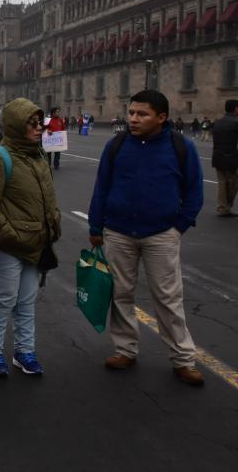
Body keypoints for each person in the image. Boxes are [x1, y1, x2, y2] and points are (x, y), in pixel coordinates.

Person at [88, 90, 204, 386]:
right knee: (120, 294)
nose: (133, 119)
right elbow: (101, 187)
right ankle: (125, 349)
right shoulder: (116, 145)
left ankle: (183, 359)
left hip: (161, 234)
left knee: (168, 298)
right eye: (131, 113)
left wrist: (179, 226)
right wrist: (96, 227)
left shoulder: (181, 147)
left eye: (142, 114)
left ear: (161, 118)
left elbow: (194, 192)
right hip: (118, 231)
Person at [0, 98, 60, 376]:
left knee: (26, 300)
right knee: (3, 298)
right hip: (4, 245)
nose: (39, 129)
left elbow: (47, 197)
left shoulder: (39, 156)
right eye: (32, 124)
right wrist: (9, 235)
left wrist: (53, 225)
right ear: (15, 126)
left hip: (35, 241)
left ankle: (25, 351)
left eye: (40, 123)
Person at [211, 99, 238, 217]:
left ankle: (222, 208)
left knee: (222, 183)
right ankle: (225, 207)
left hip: (217, 157)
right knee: (232, 184)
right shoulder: (236, 122)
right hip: (231, 158)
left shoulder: (218, 122)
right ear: (236, 109)